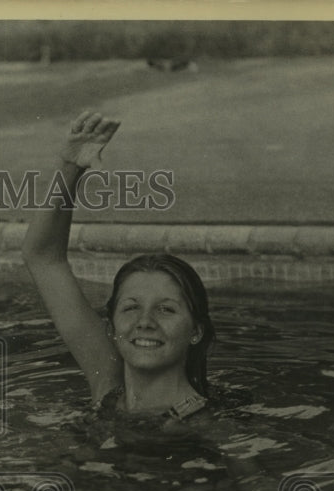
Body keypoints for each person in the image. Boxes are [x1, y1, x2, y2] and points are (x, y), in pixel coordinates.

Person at [22, 110, 216, 421]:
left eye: (165, 309)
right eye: (130, 308)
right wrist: (71, 166)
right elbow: (42, 257)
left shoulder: (207, 426)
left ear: (196, 331)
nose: (145, 322)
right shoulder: (108, 388)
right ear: (111, 328)